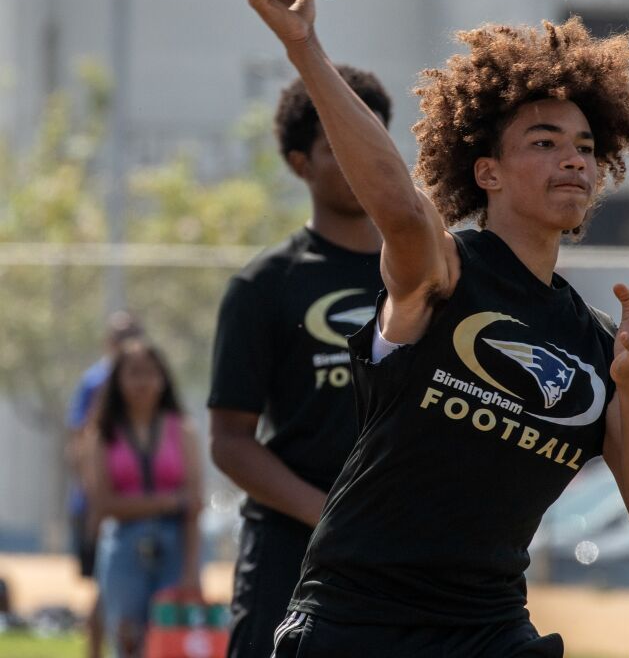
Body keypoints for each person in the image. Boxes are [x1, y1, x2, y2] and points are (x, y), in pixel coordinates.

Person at [237, 0, 629, 658]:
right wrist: (304, 51)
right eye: (543, 141)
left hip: (488, 631)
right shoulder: (444, 274)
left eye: (585, 147)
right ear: (488, 173)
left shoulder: (600, 347)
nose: (572, 157)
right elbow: (404, 211)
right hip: (357, 622)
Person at [207, 65, 392, 658]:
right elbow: (230, 441)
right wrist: (330, 517)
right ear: (298, 163)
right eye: (337, 144)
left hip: (402, 556)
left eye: (373, 136)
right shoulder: (264, 285)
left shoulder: (430, 276)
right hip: (291, 554)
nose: (363, 156)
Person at [83, 339, 204, 658]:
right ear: (117, 381)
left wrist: (192, 570)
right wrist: (170, 501)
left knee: (172, 638)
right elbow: (105, 504)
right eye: (133, 373)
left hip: (176, 542)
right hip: (123, 545)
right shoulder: (104, 433)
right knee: (127, 640)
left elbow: (194, 503)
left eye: (151, 373)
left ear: (163, 379)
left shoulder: (182, 429)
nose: (143, 382)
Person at [66, 310, 144, 658]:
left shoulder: (146, 378)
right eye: (121, 335)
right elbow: (80, 441)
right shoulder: (95, 382)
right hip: (102, 504)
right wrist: (95, 496)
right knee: (103, 584)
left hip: (140, 504)